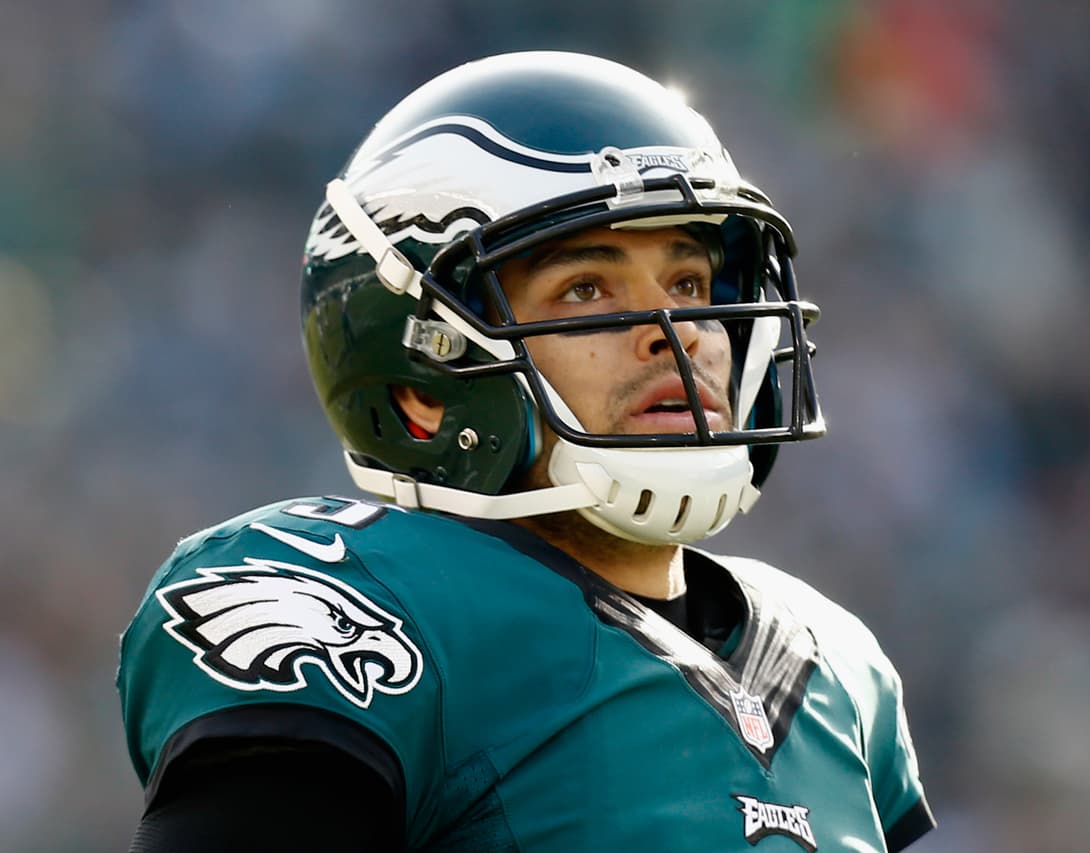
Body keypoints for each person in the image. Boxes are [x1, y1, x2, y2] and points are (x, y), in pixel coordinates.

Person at [117, 51, 935, 852]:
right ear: (424, 385)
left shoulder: (836, 669)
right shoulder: (367, 605)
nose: (678, 332)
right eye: (587, 288)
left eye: (688, 282)